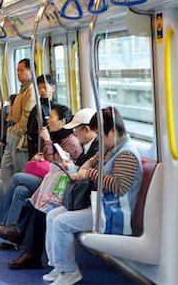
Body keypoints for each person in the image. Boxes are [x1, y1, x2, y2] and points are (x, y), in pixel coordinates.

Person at [43, 107, 143, 285]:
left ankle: (69, 270)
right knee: (52, 215)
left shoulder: (126, 154)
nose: (98, 139)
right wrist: (83, 170)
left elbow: (119, 187)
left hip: (113, 214)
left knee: (61, 223)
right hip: (102, 207)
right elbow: (92, 161)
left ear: (112, 131)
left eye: (100, 134)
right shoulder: (110, 148)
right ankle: (59, 266)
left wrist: (89, 174)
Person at [1, 108, 98, 269]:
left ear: (86, 129)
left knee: (31, 194)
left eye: (77, 130)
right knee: (23, 193)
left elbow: (81, 172)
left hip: (77, 192)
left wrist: (48, 144)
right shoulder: (87, 147)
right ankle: (25, 244)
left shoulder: (77, 144)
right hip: (66, 185)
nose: (75, 133)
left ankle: (23, 240)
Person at [0, 104, 82, 236]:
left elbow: (55, 164)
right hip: (50, 179)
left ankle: (0, 219)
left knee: (18, 178)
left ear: (62, 121)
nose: (48, 120)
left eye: (51, 117)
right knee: (20, 190)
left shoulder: (70, 142)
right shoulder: (59, 137)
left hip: (57, 185)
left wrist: (46, 140)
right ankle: (11, 229)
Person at [0, 59, 36, 192]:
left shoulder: (31, 90)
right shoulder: (23, 89)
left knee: (19, 171)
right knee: (6, 167)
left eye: (21, 70)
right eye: (17, 70)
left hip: (19, 137)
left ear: (30, 72)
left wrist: (17, 130)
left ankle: (17, 205)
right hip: (13, 133)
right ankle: (7, 201)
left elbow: (26, 115)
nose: (18, 73)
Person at [27, 74, 57, 159]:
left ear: (53, 88)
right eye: (39, 88)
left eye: (44, 87)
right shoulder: (37, 109)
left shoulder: (57, 107)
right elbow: (32, 132)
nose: (42, 90)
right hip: (40, 148)